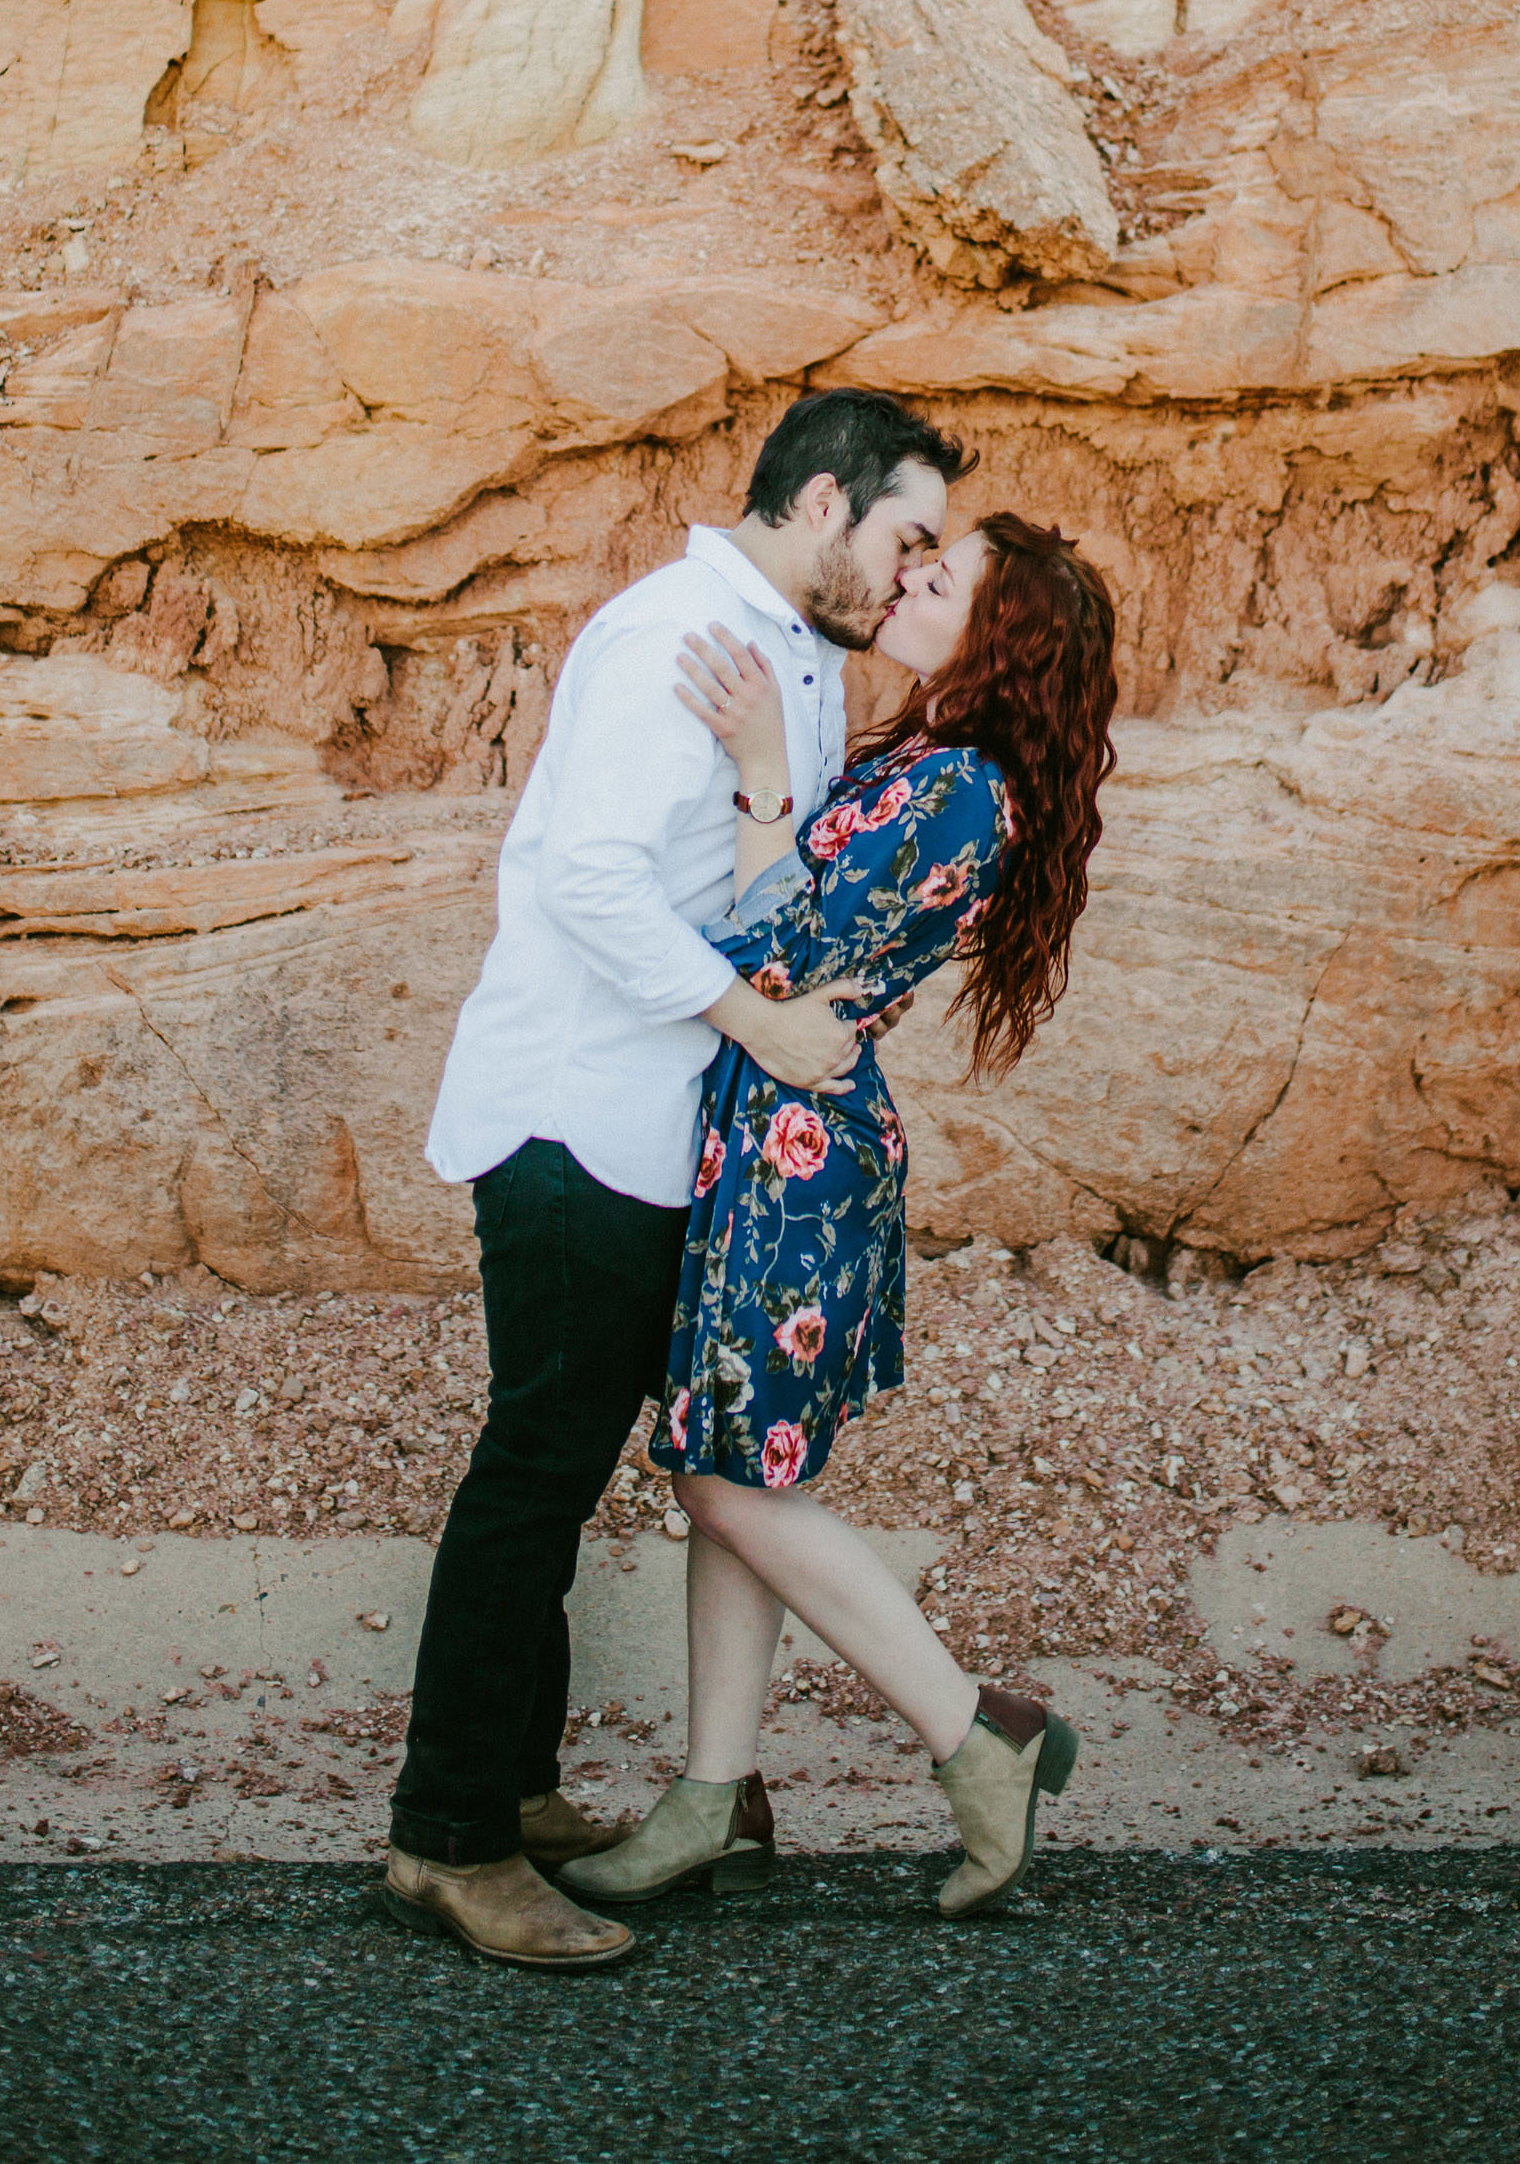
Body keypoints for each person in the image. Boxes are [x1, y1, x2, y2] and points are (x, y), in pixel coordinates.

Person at [379, 387, 972, 1969]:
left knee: (563, 1468)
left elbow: (763, 869)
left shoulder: (786, 653)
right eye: (907, 535)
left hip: (655, 1125)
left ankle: (512, 1786)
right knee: (536, 1469)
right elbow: (586, 875)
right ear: (830, 500)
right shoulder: (677, 638)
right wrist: (755, 1020)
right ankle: (447, 1838)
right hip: (579, 1116)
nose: (913, 572)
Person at [557, 511, 1118, 1924]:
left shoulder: (961, 791)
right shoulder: (933, 763)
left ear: (1004, 638)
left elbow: (768, 949)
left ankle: (974, 1732)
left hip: (799, 1150)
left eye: (945, 580)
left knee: (720, 1477)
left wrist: (758, 778)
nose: (908, 581)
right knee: (744, 1471)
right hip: (777, 1130)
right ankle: (715, 1796)